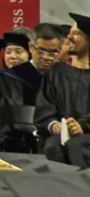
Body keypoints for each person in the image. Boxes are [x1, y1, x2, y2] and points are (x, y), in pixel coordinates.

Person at [35, 12, 90, 166]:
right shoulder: (56, 72)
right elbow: (44, 105)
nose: (69, 37)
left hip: (87, 137)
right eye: (70, 33)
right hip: (59, 136)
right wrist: (53, 124)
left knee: (76, 146)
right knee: (53, 147)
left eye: (76, 33)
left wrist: (83, 126)